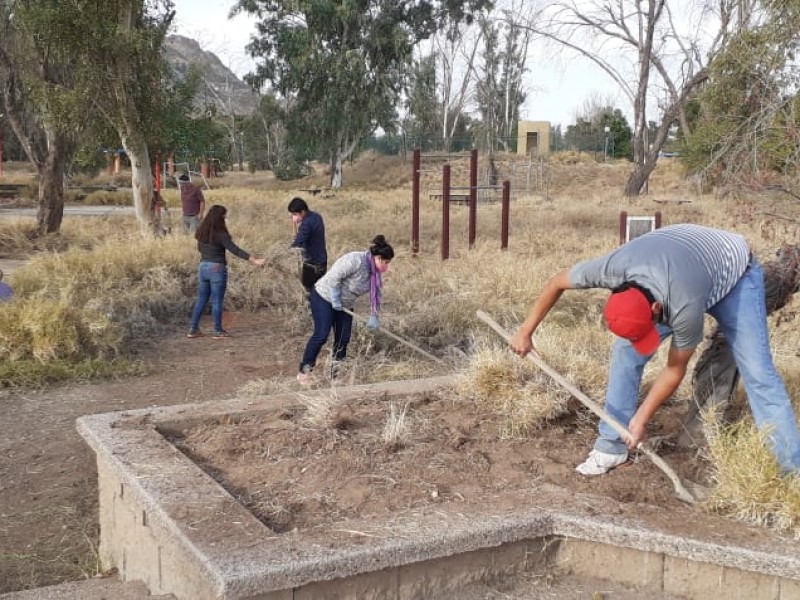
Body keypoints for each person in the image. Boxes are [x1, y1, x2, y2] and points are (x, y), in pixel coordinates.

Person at [509, 223, 800, 477]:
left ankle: (790, 471)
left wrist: (641, 419)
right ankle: (611, 447)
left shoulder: (684, 308)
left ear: (657, 310)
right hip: (678, 260)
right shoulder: (611, 269)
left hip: (734, 271)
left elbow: (674, 369)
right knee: (626, 353)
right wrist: (525, 331)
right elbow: (558, 280)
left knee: (759, 373)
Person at [297, 235, 394, 383]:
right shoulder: (355, 260)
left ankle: (335, 376)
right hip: (324, 297)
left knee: (343, 339)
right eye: (386, 262)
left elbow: (377, 295)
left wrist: (375, 314)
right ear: (378, 257)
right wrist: (335, 296)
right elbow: (335, 276)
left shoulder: (375, 275)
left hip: (345, 305)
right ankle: (304, 371)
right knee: (322, 334)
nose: (386, 266)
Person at [187, 205, 265, 339]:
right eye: (224, 216)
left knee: (201, 299)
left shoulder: (201, 232)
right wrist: (254, 260)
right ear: (219, 218)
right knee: (217, 301)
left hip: (203, 266)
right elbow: (235, 249)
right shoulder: (221, 235)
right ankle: (218, 331)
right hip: (217, 268)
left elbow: (200, 249)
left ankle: (193, 329)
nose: (225, 218)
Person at [288, 196, 328, 297]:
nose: (294, 217)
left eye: (295, 214)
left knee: (309, 293)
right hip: (322, 260)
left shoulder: (306, 224)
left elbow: (297, 243)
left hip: (311, 264)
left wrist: (288, 249)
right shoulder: (317, 216)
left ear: (302, 212)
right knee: (321, 291)